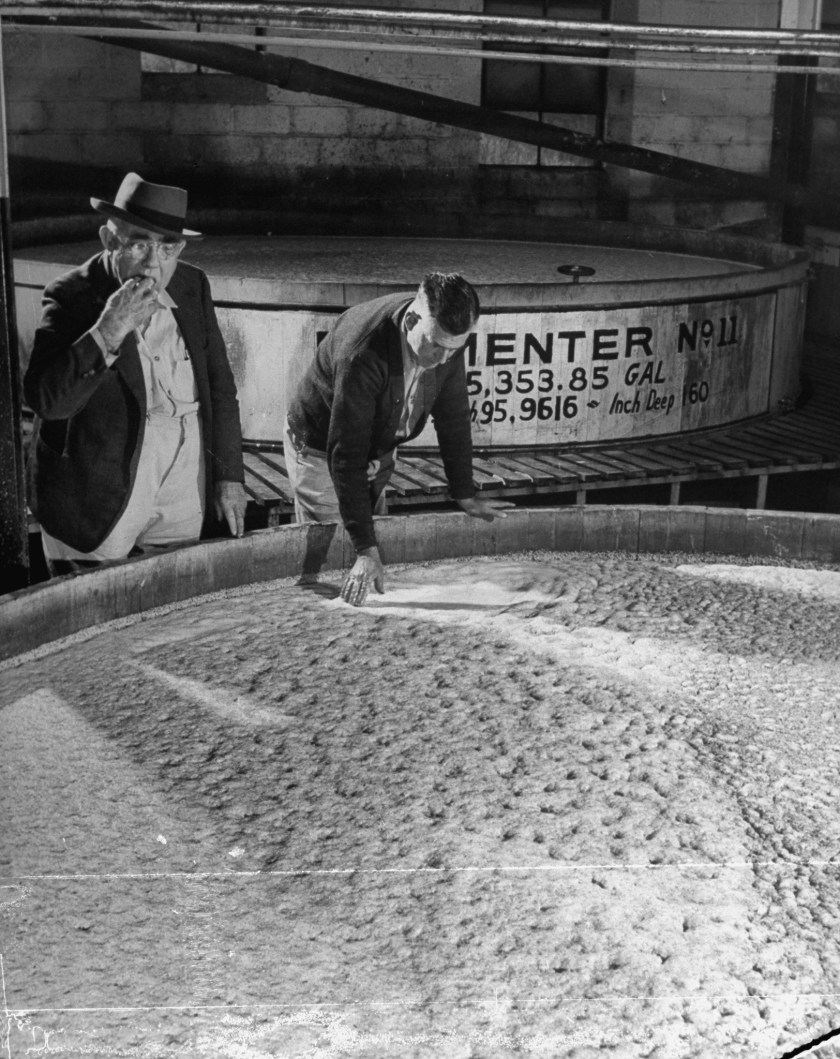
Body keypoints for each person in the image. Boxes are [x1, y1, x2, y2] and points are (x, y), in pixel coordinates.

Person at [24, 172, 248, 576]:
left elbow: (219, 385)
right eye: (139, 244)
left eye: (168, 247)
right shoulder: (70, 294)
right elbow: (47, 401)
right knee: (91, 617)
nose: (153, 263)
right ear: (110, 240)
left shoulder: (191, 284)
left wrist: (229, 476)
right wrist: (110, 326)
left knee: (170, 607)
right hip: (97, 488)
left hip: (181, 481)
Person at [284, 271, 513, 606]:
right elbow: (345, 454)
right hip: (322, 445)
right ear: (412, 320)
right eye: (435, 345)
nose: (442, 359)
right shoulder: (361, 351)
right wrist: (364, 550)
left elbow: (453, 417)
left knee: (371, 539)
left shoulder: (446, 340)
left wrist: (464, 492)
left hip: (380, 439)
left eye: (454, 348)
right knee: (339, 551)